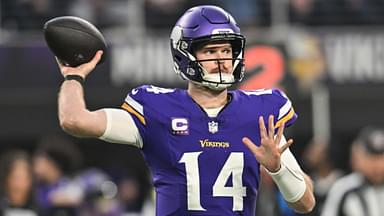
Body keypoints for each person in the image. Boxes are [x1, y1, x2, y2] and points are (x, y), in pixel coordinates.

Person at [56, 5, 315, 215]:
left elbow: (306, 203)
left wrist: (278, 169)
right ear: (185, 55)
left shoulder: (260, 113)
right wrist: (73, 77)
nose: (222, 60)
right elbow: (75, 120)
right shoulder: (156, 108)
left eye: (227, 50)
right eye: (211, 51)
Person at [321, 126, 384, 216]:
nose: (378, 165)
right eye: (372, 159)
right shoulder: (343, 188)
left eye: (381, 158)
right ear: (360, 158)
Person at [0, 150, 39, 216]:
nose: (19, 184)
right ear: (6, 180)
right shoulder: (2, 207)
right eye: (16, 177)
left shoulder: (39, 208)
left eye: (24, 178)